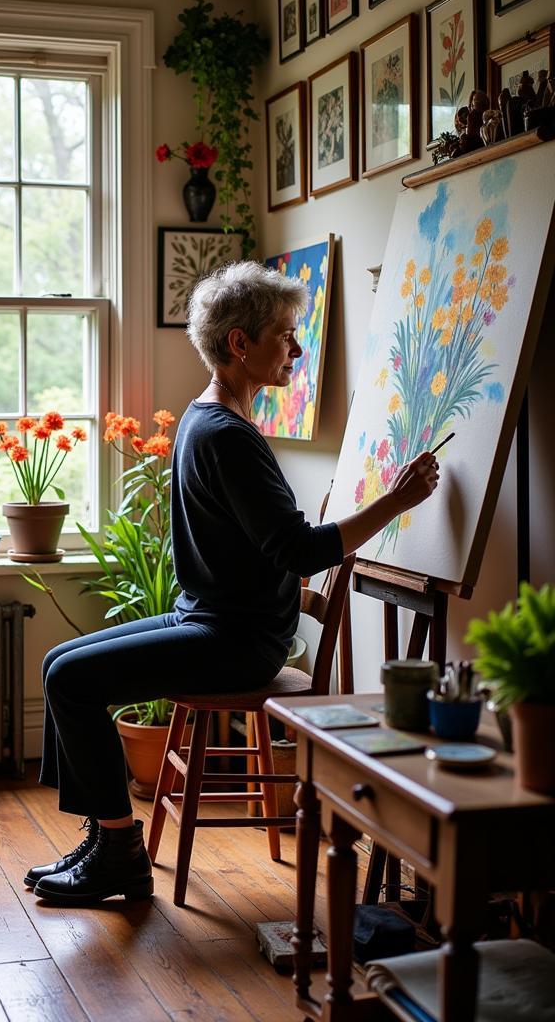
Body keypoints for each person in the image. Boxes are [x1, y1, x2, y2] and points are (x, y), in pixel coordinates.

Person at [27, 261, 440, 905]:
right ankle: (109, 838)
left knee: (67, 678)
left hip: (240, 639)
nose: (298, 349)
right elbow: (302, 550)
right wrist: (398, 497)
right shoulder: (221, 430)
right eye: (285, 335)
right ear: (239, 345)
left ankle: (117, 852)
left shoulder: (211, 419)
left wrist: (391, 500)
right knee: (60, 664)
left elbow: (296, 551)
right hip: (220, 626)